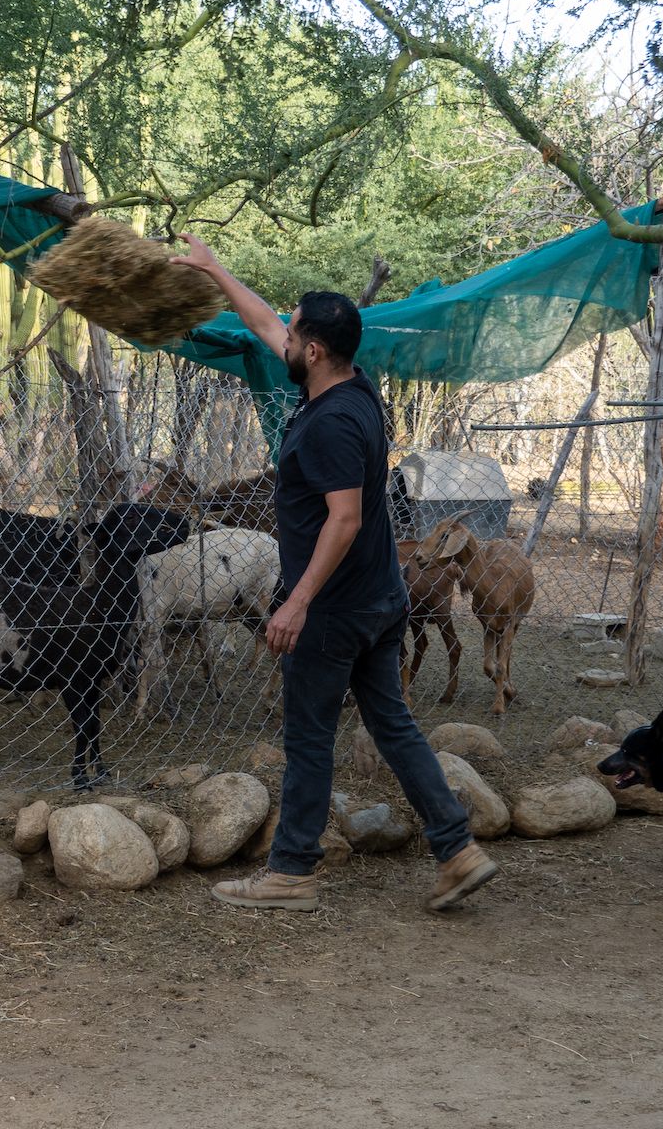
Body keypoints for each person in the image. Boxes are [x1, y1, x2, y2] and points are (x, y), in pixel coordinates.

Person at [169, 235, 499, 914]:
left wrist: (296, 604)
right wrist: (215, 269)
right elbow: (266, 324)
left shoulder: (331, 425)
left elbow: (343, 520)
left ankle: (290, 871)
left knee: (309, 736)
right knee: (394, 725)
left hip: (336, 608)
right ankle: (457, 849)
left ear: (312, 351)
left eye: (293, 334)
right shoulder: (352, 384)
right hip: (380, 595)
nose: (279, 337)